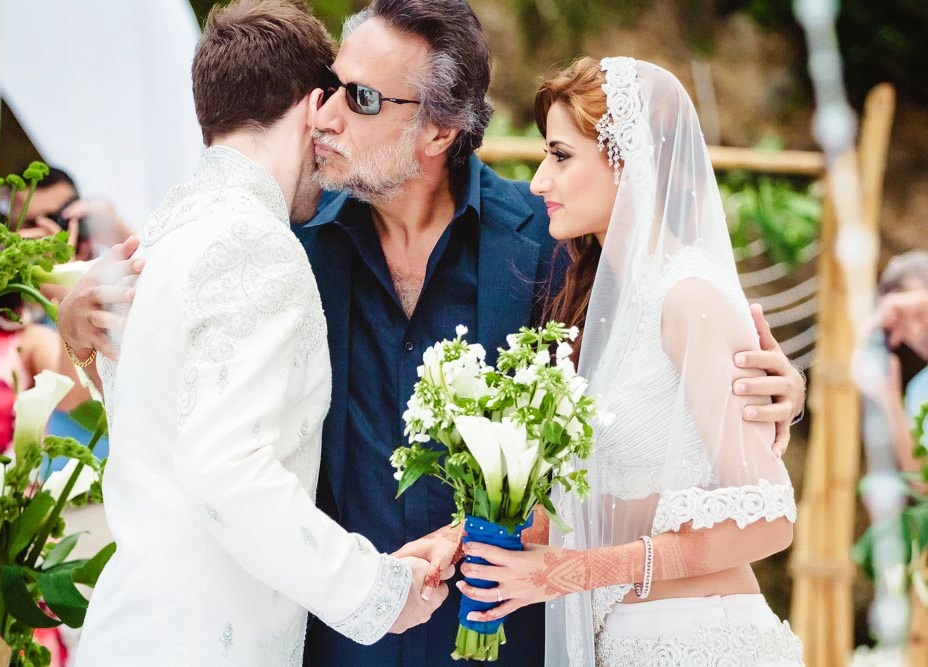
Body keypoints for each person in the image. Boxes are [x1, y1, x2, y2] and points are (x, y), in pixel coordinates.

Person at [58, 3, 805, 664]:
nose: (323, 115)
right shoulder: (284, 247)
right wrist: (74, 321)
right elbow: (176, 363)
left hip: (507, 640)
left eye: (360, 97)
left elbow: (647, 371)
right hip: (336, 645)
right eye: (330, 88)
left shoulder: (553, 247)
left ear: (439, 128)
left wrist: (773, 392)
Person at [72, 2, 448, 665]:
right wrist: (383, 590)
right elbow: (230, 472)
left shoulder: (158, 239)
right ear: (314, 109)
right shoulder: (255, 244)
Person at [454, 57, 803, 666]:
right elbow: (600, 504)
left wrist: (568, 573)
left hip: (705, 644)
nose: (539, 182)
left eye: (560, 156)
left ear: (629, 163)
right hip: (626, 645)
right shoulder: (606, 310)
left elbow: (769, 520)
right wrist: (457, 544)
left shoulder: (689, 299)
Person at [876, 251, 928, 471]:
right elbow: (922, 482)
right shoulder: (920, 389)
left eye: (918, 314)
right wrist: (890, 399)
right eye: (904, 327)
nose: (917, 332)